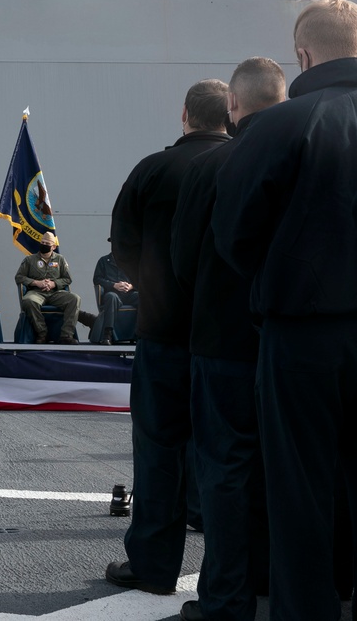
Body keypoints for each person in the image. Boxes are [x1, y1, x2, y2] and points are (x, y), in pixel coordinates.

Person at [212, 0, 357, 621]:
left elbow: (235, 235)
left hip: (303, 335)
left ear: (302, 54)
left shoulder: (276, 127)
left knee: (300, 488)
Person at [105, 78, 231, 596]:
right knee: (227, 452)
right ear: (231, 113)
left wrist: (157, 287)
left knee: (158, 448)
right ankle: (234, 573)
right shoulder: (243, 162)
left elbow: (123, 248)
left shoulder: (152, 169)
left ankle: (154, 564)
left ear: (185, 116)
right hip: (228, 335)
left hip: (161, 330)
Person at [171, 57, 285, 621]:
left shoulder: (214, 164)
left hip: (222, 339)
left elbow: (185, 260)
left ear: (233, 107)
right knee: (298, 466)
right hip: (295, 337)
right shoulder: (316, 147)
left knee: (225, 471)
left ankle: (226, 598)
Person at [14, 232, 81, 344]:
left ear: (53, 246)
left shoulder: (60, 260)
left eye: (47, 243)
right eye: (42, 242)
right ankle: (42, 333)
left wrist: (54, 283)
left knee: (75, 299)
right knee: (28, 301)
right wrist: (36, 283)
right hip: (37, 292)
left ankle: (66, 335)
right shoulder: (30, 259)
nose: (44, 245)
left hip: (55, 292)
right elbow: (19, 277)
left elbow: (67, 279)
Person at [92, 248, 138, 344]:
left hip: (129, 294)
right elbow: (97, 279)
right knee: (111, 297)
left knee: (143, 298)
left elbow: (140, 278)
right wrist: (114, 285)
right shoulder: (104, 261)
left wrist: (131, 286)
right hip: (113, 293)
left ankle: (140, 334)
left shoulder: (133, 261)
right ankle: (108, 334)